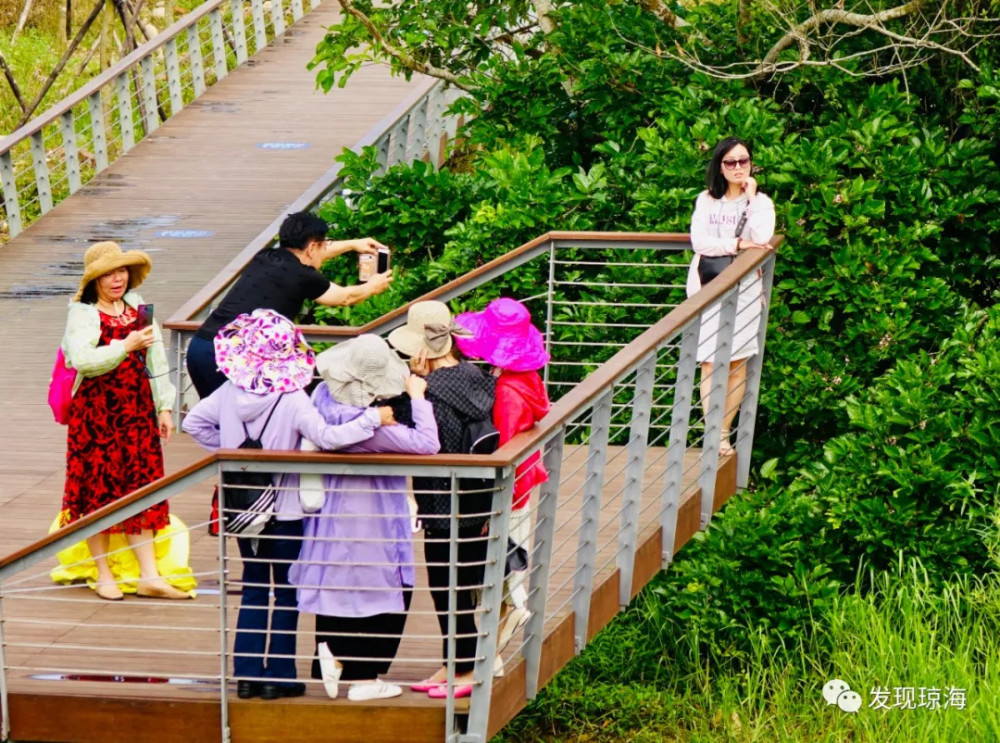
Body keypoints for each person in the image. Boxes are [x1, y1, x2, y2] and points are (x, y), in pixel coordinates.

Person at [182, 310, 395, 701]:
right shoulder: (293, 397)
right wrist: (372, 420)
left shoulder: (228, 392)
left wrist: (230, 456)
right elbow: (329, 438)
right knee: (287, 592)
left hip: (243, 512)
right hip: (286, 512)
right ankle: (279, 675)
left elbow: (192, 423)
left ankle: (245, 673)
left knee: (253, 588)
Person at [290, 335, 440, 702]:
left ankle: (331, 653)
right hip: (371, 518)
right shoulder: (370, 430)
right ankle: (366, 679)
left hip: (329, 516)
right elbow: (427, 443)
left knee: (337, 591)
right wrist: (418, 398)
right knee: (386, 596)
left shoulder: (322, 397)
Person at [60, 241, 192, 602]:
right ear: (94, 280)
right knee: (96, 490)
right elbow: (82, 360)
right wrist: (125, 345)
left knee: (141, 486)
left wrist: (164, 406)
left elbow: (156, 359)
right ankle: (104, 573)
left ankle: (149, 575)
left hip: (136, 410)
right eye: (107, 274)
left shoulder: (138, 307)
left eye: (120, 271)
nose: (116, 279)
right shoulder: (82, 313)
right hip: (96, 414)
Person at [387, 301, 496, 699]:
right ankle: (456, 663)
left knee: (445, 587)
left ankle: (464, 671)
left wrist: (412, 386)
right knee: (462, 586)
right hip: (479, 497)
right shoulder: (479, 377)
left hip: (440, 501)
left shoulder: (426, 390)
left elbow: (408, 428)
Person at [185, 211, 394, 398]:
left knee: (221, 428)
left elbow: (312, 252)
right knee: (240, 432)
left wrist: (353, 244)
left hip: (200, 348)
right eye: (323, 244)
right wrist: (373, 286)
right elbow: (345, 297)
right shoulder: (303, 275)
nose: (325, 250)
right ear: (313, 247)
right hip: (227, 358)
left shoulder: (265, 256)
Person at [455, 297, 551, 653]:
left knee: (501, 554)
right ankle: (493, 646)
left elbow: (503, 446)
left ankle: (515, 608)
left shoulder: (507, 392)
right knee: (508, 550)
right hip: (524, 479)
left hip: (509, 488)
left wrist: (489, 501)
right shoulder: (525, 378)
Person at [688, 137, 776, 454]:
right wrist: (737, 245)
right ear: (719, 166)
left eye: (744, 161)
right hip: (709, 288)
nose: (739, 167)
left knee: (737, 363)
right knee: (710, 362)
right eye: (731, 162)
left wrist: (750, 198)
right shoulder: (707, 201)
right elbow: (700, 243)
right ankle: (712, 433)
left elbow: (763, 236)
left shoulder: (761, 203)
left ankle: (723, 435)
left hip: (746, 291)